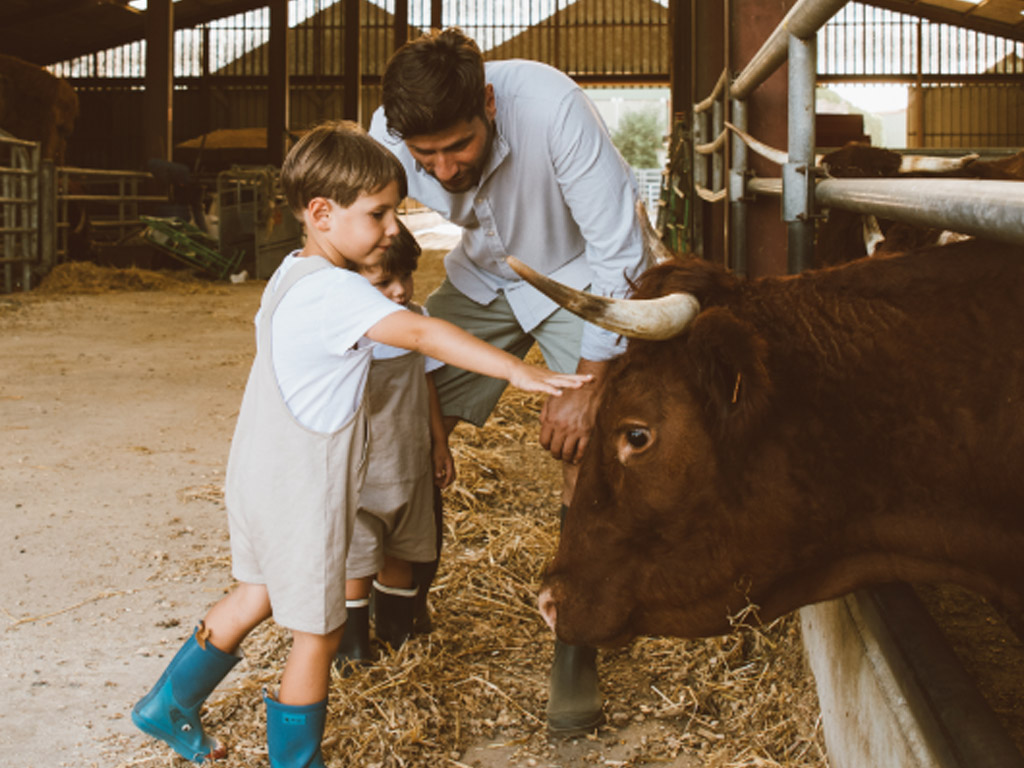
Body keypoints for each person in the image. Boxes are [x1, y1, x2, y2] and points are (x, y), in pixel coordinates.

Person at [130, 119, 591, 767]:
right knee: (319, 634)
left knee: (254, 595)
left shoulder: (290, 272)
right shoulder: (338, 291)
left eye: (395, 210)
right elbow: (424, 337)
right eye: (379, 213)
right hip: (302, 493)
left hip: (259, 476)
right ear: (322, 213)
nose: (394, 227)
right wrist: (516, 368)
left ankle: (166, 706)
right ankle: (297, 762)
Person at [368, 27, 651, 734]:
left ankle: (574, 640)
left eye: (457, 146)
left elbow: (621, 251)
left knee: (589, 448)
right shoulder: (388, 135)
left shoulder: (553, 108)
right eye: (424, 156)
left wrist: (588, 383)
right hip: (482, 277)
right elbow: (360, 231)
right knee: (403, 415)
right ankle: (403, 605)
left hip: (579, 280)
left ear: (488, 103)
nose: (443, 169)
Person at [335, 220, 454, 672]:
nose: (401, 290)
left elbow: (427, 386)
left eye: (406, 277)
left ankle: (396, 628)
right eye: (384, 281)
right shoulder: (348, 336)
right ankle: (352, 643)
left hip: (409, 462)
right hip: (363, 470)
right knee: (359, 559)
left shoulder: (419, 322)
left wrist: (439, 444)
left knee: (403, 552)